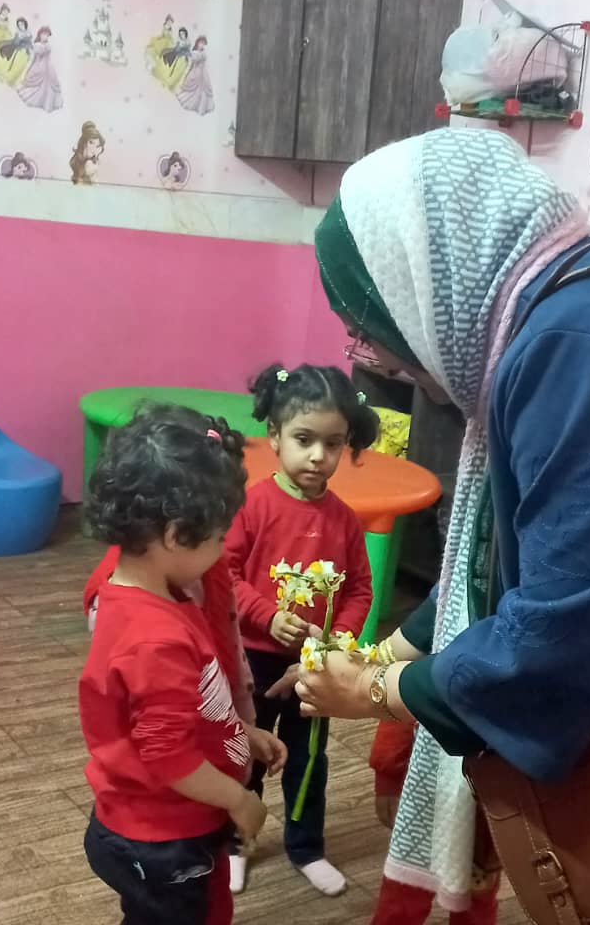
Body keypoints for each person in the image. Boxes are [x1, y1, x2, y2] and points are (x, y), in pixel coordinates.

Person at [290, 126, 590, 924]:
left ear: (427, 282)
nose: (374, 358)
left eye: (373, 324)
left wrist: (372, 691)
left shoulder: (582, 347)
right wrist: (390, 650)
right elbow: (507, 553)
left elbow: (560, 637)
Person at [79, 403, 286, 924]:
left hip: (173, 823)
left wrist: (239, 731)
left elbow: (182, 706)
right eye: (218, 538)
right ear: (174, 536)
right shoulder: (154, 639)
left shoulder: (164, 596)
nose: (222, 552)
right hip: (162, 839)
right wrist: (239, 799)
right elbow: (167, 754)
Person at [223, 363, 378, 897]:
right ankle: (235, 842)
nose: (318, 456)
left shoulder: (344, 519)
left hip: (314, 666)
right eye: (304, 440)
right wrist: (266, 615)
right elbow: (223, 575)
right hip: (252, 659)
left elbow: (360, 589)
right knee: (244, 751)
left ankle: (306, 846)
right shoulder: (251, 505)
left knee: (309, 758)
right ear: (274, 436)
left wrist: (334, 643)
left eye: (333, 444)